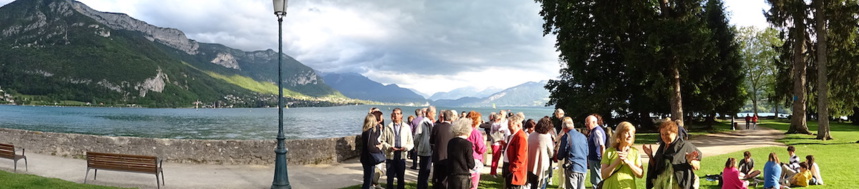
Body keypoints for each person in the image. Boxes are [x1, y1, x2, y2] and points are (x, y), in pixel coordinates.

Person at [644, 119, 702, 189]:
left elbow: (697, 167)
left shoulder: (685, 146)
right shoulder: (662, 148)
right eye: (662, 134)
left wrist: (691, 161)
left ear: (675, 133)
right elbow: (656, 166)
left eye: (667, 134)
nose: (664, 137)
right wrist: (650, 156)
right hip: (662, 185)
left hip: (678, 185)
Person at [600, 121, 644, 189]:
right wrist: (617, 162)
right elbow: (604, 175)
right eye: (626, 132)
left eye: (632, 133)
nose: (630, 135)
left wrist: (628, 162)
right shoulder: (609, 152)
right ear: (619, 135)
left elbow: (640, 174)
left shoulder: (635, 152)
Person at [379, 108, 414, 189]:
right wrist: (389, 147)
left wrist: (405, 148)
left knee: (401, 178)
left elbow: (411, 143)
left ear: (401, 115)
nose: (396, 115)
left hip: (401, 156)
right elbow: (382, 141)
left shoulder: (407, 127)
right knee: (390, 178)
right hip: (391, 156)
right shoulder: (388, 127)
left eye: (398, 114)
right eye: (394, 114)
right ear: (392, 115)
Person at [558, 117, 588, 189]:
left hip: (572, 166)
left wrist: (558, 155)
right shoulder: (583, 136)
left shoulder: (566, 137)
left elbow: (561, 154)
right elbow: (587, 152)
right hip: (583, 167)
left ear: (564, 128)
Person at [527, 117, 555, 189]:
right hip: (541, 165)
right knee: (541, 185)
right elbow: (551, 153)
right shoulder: (546, 137)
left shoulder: (531, 135)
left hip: (530, 164)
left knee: (532, 185)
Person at [448, 118, 476, 189]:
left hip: (452, 173)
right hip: (462, 175)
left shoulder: (451, 142)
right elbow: (471, 163)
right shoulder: (467, 144)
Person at [431, 110, 456, 188]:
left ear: (443, 117)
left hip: (438, 156)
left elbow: (431, 141)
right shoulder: (453, 129)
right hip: (448, 157)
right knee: (445, 179)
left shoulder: (436, 127)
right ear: (451, 118)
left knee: (437, 178)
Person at [414, 106, 435, 189]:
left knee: (426, 171)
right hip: (424, 150)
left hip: (428, 150)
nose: (435, 114)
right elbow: (417, 137)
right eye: (434, 113)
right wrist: (417, 147)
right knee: (423, 171)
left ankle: (424, 186)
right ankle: (421, 186)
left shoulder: (429, 123)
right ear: (429, 113)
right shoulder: (423, 123)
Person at [361, 113, 384, 189]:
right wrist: (379, 147)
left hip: (365, 158)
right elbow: (370, 147)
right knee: (368, 179)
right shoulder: (370, 132)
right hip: (369, 159)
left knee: (368, 178)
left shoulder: (365, 132)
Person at [506, 113, 529, 189]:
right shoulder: (514, 135)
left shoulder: (520, 136)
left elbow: (521, 156)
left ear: (518, 125)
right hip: (511, 167)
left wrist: (513, 168)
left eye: (511, 126)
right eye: (508, 125)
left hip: (516, 172)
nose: (509, 128)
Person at [585, 115, 607, 189]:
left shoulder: (597, 131)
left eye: (587, 122)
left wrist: (603, 158)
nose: (586, 124)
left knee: (596, 179)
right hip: (594, 158)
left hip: (596, 158)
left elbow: (602, 146)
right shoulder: (595, 131)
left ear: (594, 122)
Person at [466, 111, 486, 189]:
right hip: (475, 159)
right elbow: (481, 148)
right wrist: (484, 145)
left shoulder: (465, 131)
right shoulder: (476, 132)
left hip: (466, 159)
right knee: (473, 184)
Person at [490, 111, 511, 177]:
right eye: (500, 114)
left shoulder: (506, 122)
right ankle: (493, 172)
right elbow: (494, 131)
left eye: (502, 114)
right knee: (496, 158)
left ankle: (497, 171)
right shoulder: (496, 124)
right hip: (497, 142)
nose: (501, 115)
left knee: (502, 158)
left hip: (503, 142)